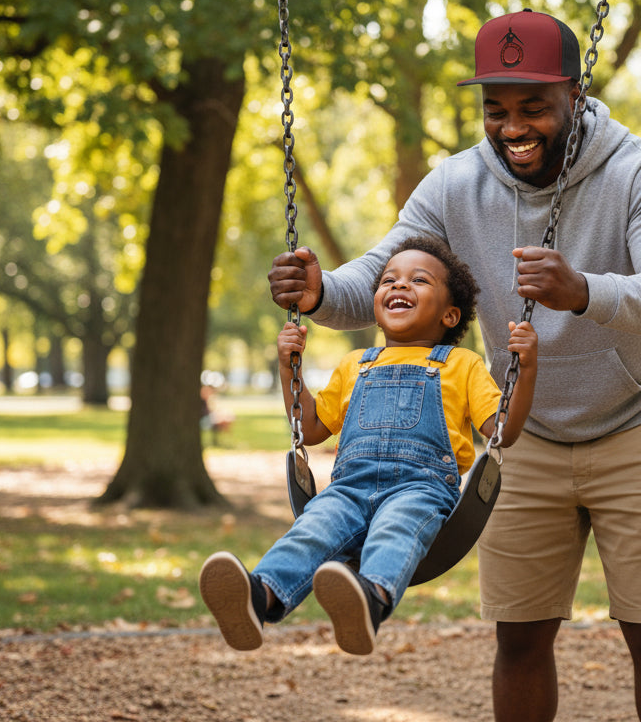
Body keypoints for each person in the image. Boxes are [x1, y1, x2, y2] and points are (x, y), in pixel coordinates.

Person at [268, 9, 641, 721]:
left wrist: (584, 291)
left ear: (575, 93)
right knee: (520, 636)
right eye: (495, 109)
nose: (512, 127)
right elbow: (383, 272)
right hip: (518, 434)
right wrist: (319, 293)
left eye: (534, 106)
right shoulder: (454, 184)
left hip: (638, 425)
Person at [201, 235, 538, 656]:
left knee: (397, 528)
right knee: (312, 529)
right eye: (387, 280)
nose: (398, 286)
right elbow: (308, 426)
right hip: (348, 488)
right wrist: (289, 371)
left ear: (451, 314)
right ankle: (258, 597)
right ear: (377, 303)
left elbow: (501, 431)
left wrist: (525, 373)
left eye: (418, 280)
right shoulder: (355, 364)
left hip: (420, 489)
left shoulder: (460, 364)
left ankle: (369, 599)